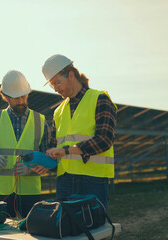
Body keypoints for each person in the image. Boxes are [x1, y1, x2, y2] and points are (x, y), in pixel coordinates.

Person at [42, 54, 117, 208]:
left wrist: (66, 151)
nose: (56, 89)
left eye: (57, 82)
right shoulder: (58, 112)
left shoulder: (99, 99)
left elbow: (104, 140)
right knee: (66, 228)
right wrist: (45, 161)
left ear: (71, 75)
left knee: (93, 227)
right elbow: (53, 146)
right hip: (65, 181)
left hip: (93, 180)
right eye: (52, 85)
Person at [0, 70, 51, 218]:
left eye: (23, 96)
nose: (21, 101)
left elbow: (49, 159)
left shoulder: (41, 122)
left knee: (31, 233)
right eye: (16, 98)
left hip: (30, 192)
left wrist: (31, 168)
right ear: (5, 97)